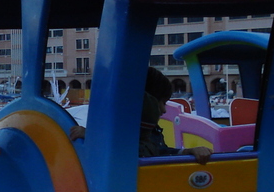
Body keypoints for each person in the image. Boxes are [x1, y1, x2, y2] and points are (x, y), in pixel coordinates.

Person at [70, 66, 211, 163]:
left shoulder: (152, 131)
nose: (164, 110)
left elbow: (160, 153)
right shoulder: (114, 131)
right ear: (145, 102)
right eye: (162, 102)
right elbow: (114, 149)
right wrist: (92, 137)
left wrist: (187, 152)